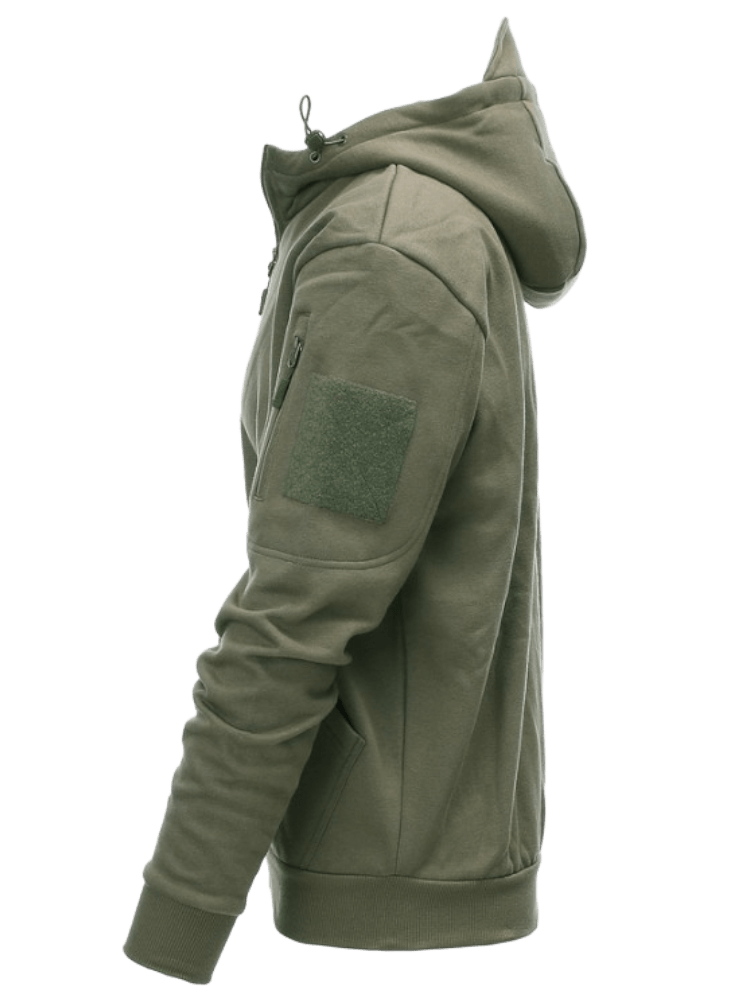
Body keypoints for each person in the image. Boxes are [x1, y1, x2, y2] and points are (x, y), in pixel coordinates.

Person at [122, 14, 587, 982]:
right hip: (408, 862)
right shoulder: (401, 220)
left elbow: (298, 608)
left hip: (381, 912)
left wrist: (171, 932)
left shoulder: (389, 258)